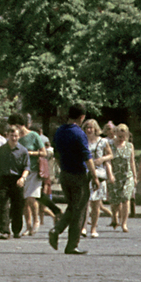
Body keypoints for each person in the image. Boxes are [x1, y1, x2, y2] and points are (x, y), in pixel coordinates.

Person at [48, 104, 92, 255]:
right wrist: (94, 176)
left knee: (72, 207)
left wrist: (62, 168)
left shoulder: (60, 131)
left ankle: (57, 231)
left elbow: (56, 153)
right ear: (82, 117)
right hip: (78, 175)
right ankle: (70, 243)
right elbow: (87, 156)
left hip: (65, 174)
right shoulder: (79, 133)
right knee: (79, 210)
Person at [13, 115, 53, 235]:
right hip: (21, 172)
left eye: (14, 126)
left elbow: (44, 152)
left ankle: (36, 221)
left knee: (31, 197)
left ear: (20, 125)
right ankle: (28, 225)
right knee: (24, 200)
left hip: (34, 170)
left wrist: (30, 153)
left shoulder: (33, 136)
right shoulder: (16, 138)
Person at [0, 122, 28, 239]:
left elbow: (27, 167)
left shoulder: (23, 151)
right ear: (7, 136)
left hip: (17, 180)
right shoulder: (1, 150)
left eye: (16, 136)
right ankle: (5, 230)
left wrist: (22, 178)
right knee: (4, 205)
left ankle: (16, 230)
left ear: (19, 136)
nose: (13, 138)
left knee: (17, 206)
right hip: (3, 179)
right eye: (11, 136)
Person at [106, 124, 137, 233]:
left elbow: (132, 161)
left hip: (127, 176)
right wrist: (110, 174)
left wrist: (135, 175)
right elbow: (108, 161)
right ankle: (114, 216)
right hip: (114, 175)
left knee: (125, 198)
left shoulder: (130, 146)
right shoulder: (110, 145)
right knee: (115, 201)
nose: (121, 139)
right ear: (115, 134)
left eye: (123, 136)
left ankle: (124, 223)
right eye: (119, 136)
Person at [83, 119, 111, 238]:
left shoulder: (103, 141)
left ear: (96, 129)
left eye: (91, 128)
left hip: (99, 173)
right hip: (85, 173)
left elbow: (110, 154)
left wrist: (102, 159)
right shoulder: (82, 141)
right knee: (85, 203)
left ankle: (93, 228)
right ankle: (83, 227)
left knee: (96, 204)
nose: (89, 130)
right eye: (87, 128)